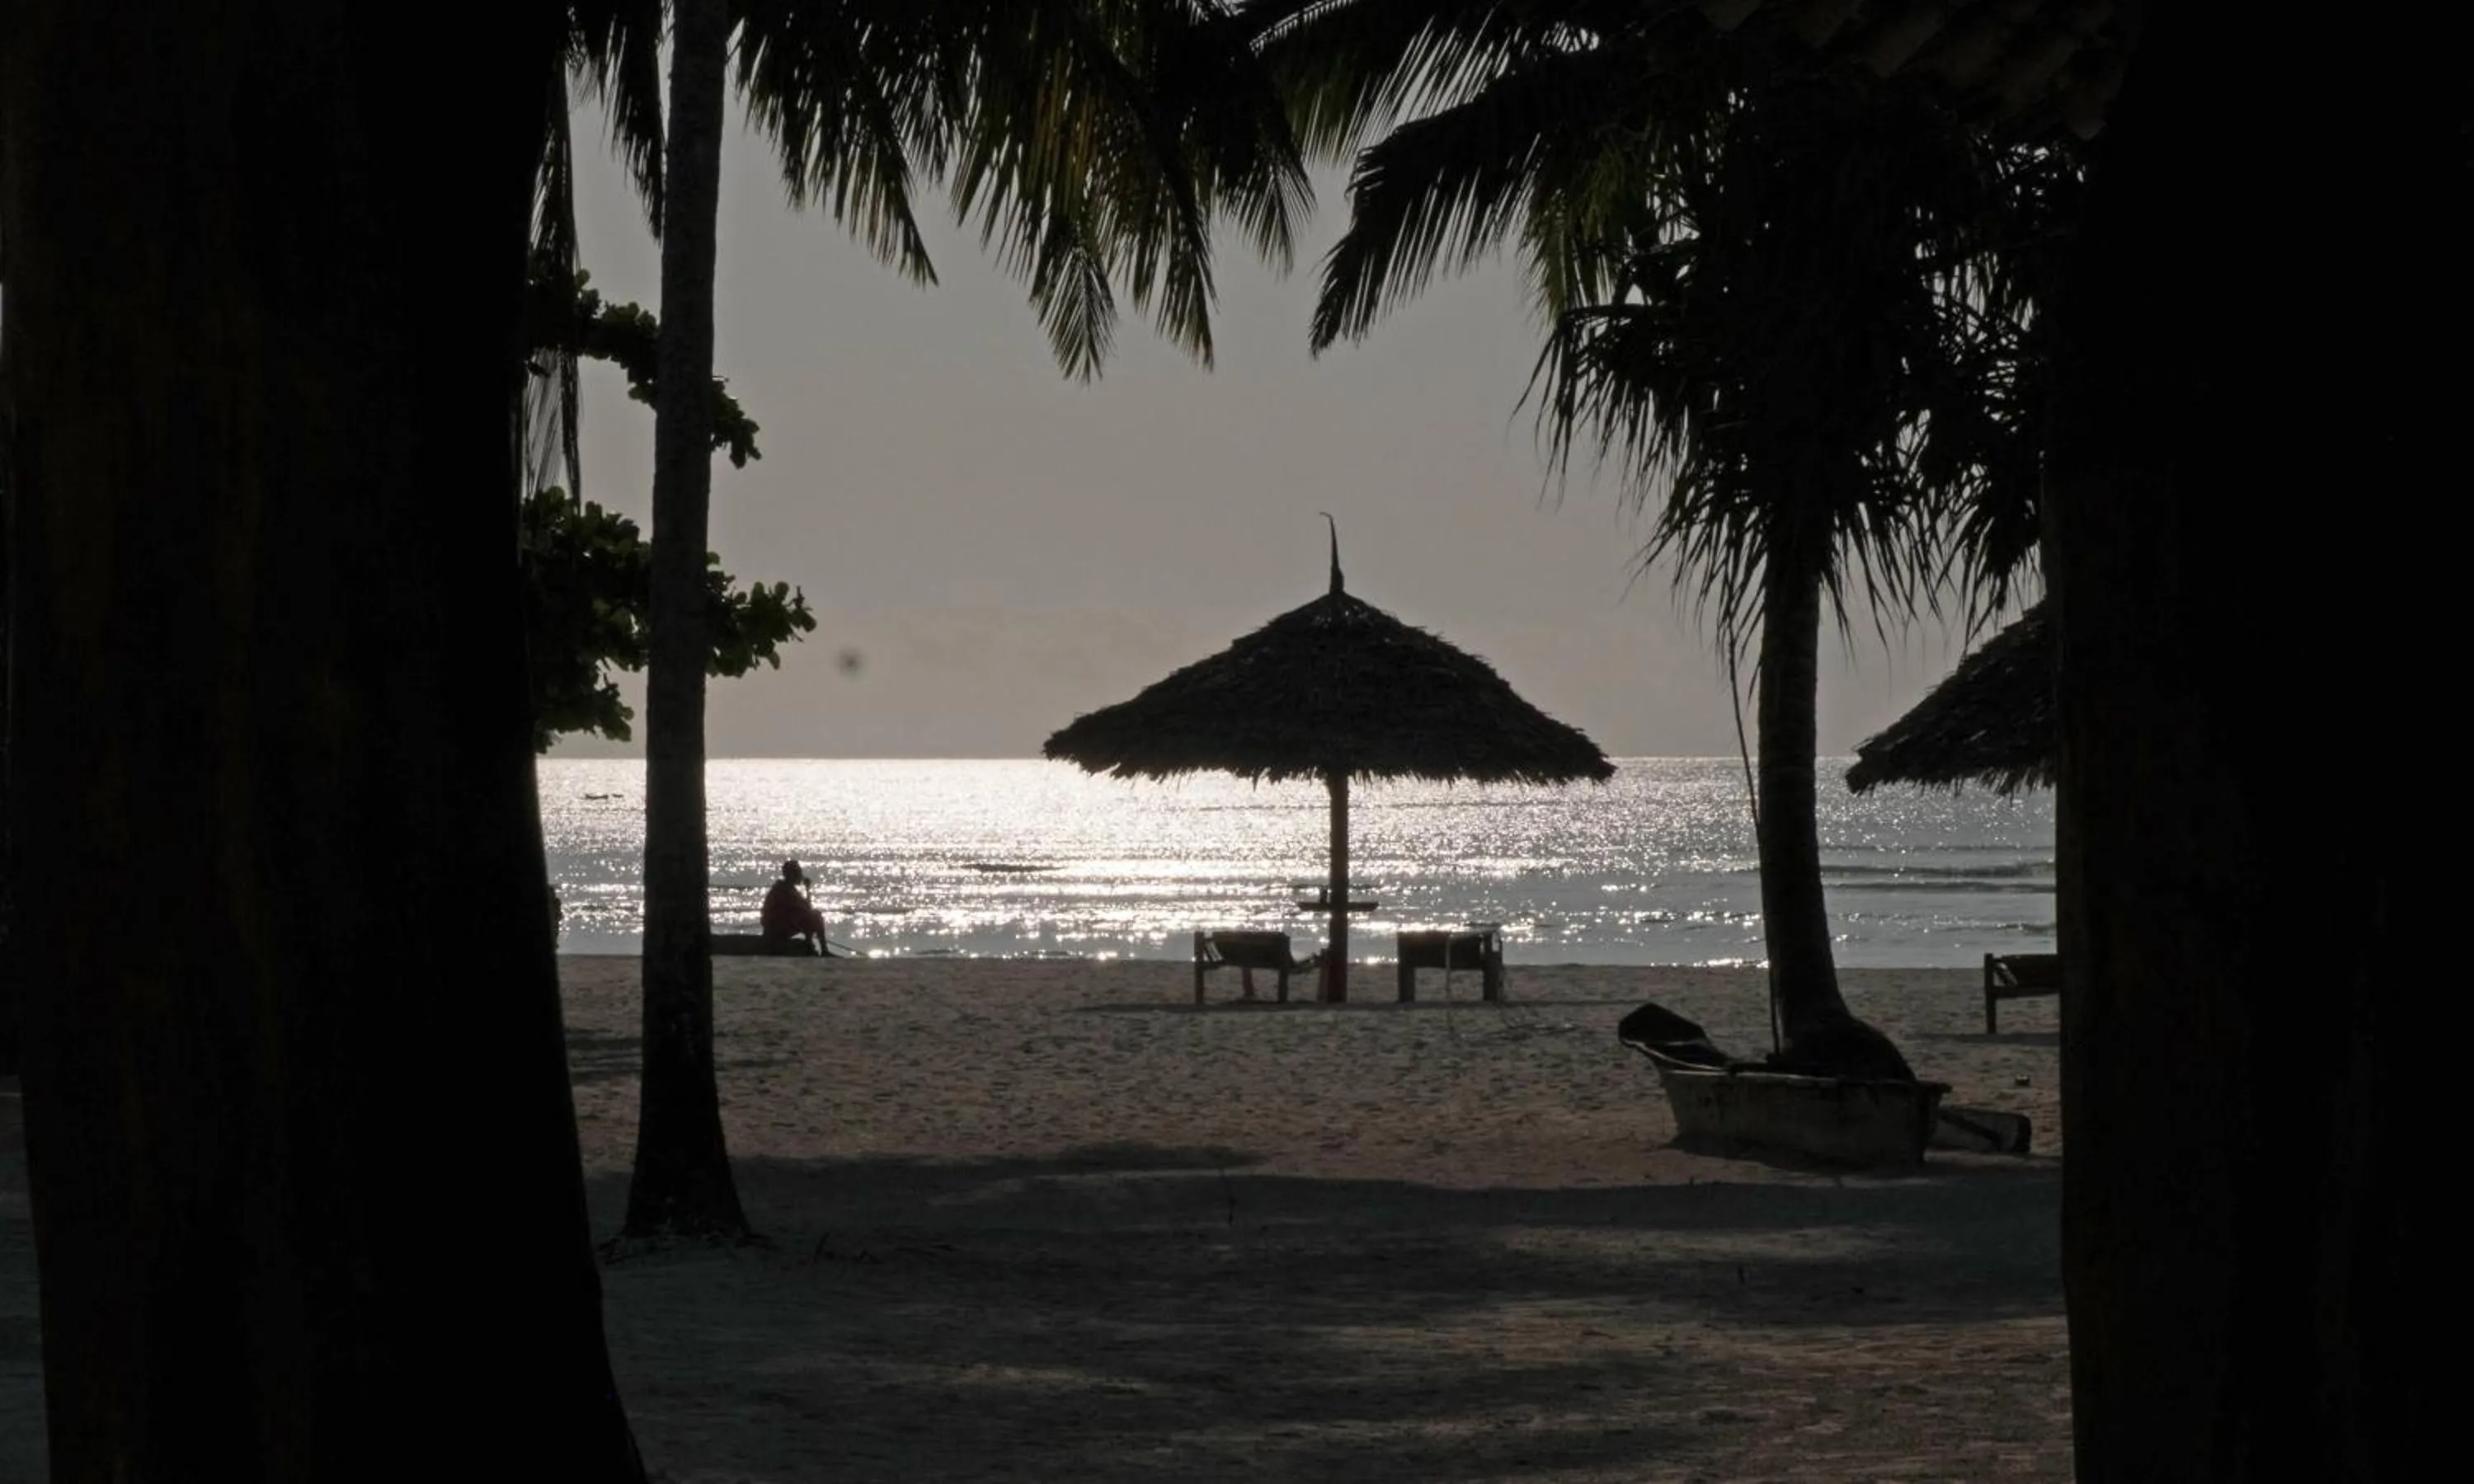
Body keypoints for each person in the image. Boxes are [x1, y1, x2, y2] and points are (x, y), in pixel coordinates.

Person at [761, 859, 830, 955]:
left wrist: (807, 890)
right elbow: (806, 909)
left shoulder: (789, 888)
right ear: (792, 874)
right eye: (799, 873)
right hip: (775, 929)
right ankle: (822, 949)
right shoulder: (783, 889)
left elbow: (806, 908)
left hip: (781, 925)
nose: (801, 876)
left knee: (811, 916)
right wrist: (807, 890)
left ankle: (810, 945)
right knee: (815, 916)